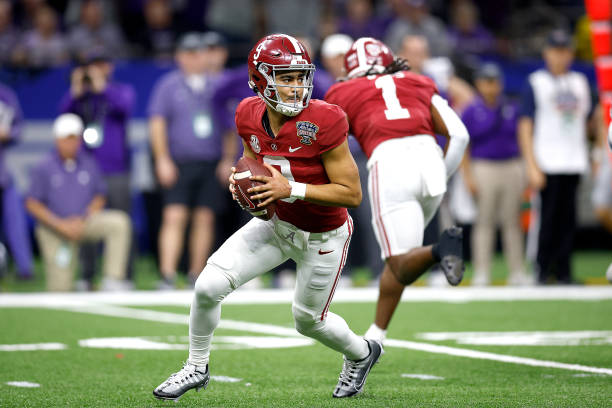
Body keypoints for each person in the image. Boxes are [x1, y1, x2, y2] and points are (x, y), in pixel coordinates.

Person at [153, 34, 382, 401]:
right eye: (285, 77)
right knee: (207, 286)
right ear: (260, 79)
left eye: (299, 77)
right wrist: (250, 189)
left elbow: (352, 194)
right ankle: (196, 366)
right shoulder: (246, 112)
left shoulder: (325, 118)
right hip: (276, 224)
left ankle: (362, 352)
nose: (295, 87)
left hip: (323, 235)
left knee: (308, 321)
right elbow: (254, 166)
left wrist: (288, 189)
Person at [325, 37, 469, 343]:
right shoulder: (418, 81)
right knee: (403, 260)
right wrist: (440, 176)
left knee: (401, 262)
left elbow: (323, 140)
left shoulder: (343, 90)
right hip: (431, 163)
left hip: (389, 163)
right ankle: (377, 334)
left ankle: (440, 250)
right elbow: (459, 136)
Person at [148, 32, 230, 288]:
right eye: (189, 53)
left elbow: (230, 125)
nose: (195, 59)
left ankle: (196, 273)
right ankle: (168, 274)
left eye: (199, 53)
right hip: (179, 160)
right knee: (174, 215)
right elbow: (157, 123)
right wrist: (162, 159)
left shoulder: (217, 85)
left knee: (205, 218)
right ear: (180, 56)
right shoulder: (169, 85)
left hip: (210, 160)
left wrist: (227, 158)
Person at [519, 29, 597, 285]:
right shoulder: (536, 82)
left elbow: (588, 120)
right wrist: (531, 164)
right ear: (546, 53)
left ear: (571, 53)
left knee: (569, 219)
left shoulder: (579, 82)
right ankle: (541, 270)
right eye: (556, 51)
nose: (560, 56)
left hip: (573, 160)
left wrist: (595, 153)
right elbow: (526, 125)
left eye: (565, 51)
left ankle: (563, 271)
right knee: (547, 219)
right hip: (547, 160)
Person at [25, 113, 131, 291]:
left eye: (75, 138)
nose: (72, 143)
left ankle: (113, 280)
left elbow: (100, 195)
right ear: (57, 140)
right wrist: (60, 224)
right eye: (68, 139)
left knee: (119, 222)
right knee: (60, 288)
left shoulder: (89, 163)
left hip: (84, 223)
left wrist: (84, 218)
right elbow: (32, 203)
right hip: (54, 228)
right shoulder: (44, 167)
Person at [60, 50, 136, 289]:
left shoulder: (119, 91)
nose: (95, 70)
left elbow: (125, 107)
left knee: (122, 221)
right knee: (86, 220)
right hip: (87, 171)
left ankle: (123, 276)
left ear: (109, 67)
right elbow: (63, 120)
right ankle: (87, 275)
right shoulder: (82, 98)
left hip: (116, 169)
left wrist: (101, 86)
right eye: (92, 66)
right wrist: (75, 89)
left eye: (100, 64)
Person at [461, 63, 530, 286]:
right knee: (484, 221)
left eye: (494, 81)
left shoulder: (511, 106)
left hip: (511, 164)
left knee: (512, 222)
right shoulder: (471, 110)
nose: (491, 86)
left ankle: (517, 271)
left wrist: (525, 168)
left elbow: (521, 137)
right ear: (479, 84)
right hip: (484, 167)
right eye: (486, 81)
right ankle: (482, 271)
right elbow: (465, 145)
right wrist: (468, 176)